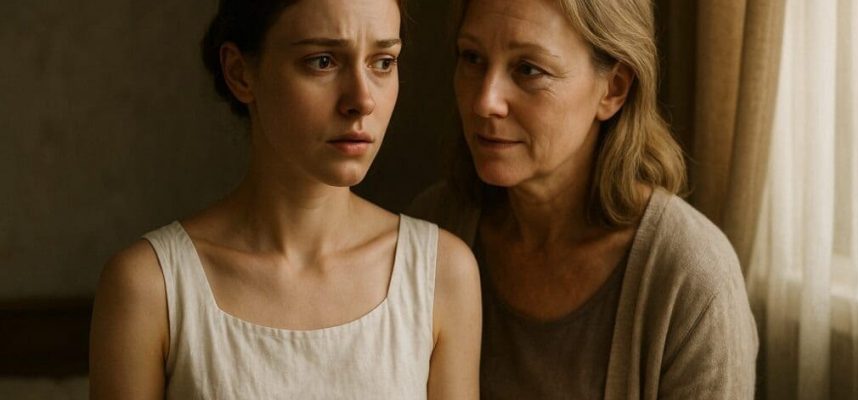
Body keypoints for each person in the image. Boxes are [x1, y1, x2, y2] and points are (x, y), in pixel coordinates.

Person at [89, 0, 482, 398]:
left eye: (382, 62)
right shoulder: (150, 287)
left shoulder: (441, 274)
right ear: (240, 73)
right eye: (323, 61)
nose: (362, 100)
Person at [409, 0, 758, 398]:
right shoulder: (434, 228)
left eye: (528, 70)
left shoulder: (693, 277)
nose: (484, 101)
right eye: (472, 58)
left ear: (613, 89)